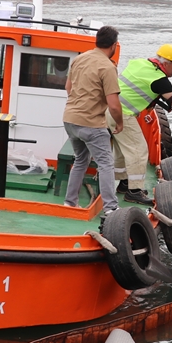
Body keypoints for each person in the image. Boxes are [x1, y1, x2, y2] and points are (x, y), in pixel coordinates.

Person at [109, 43, 172, 205]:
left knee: (123, 149)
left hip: (109, 107)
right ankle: (133, 192)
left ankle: (124, 183)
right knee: (139, 150)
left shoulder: (139, 63)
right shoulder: (160, 80)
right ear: (167, 63)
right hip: (122, 114)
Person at [62, 26, 123, 213]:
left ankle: (70, 202)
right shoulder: (108, 67)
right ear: (114, 46)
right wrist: (120, 123)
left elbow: (68, 88)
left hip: (70, 119)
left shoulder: (79, 59)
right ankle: (111, 208)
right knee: (105, 163)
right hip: (91, 124)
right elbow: (113, 104)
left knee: (81, 159)